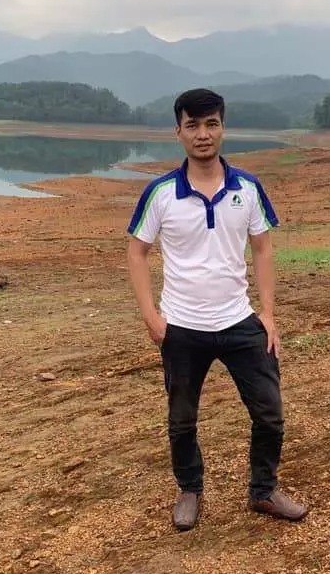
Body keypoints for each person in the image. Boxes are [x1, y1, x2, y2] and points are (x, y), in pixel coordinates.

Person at [126, 88, 308, 531]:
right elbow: (136, 252)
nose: (203, 134)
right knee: (182, 419)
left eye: (211, 124)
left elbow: (262, 248)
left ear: (223, 128)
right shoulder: (161, 192)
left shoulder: (247, 187)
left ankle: (263, 491)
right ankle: (189, 490)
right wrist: (152, 318)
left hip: (239, 320)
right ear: (178, 132)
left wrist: (268, 314)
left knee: (269, 413)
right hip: (182, 326)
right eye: (193, 125)